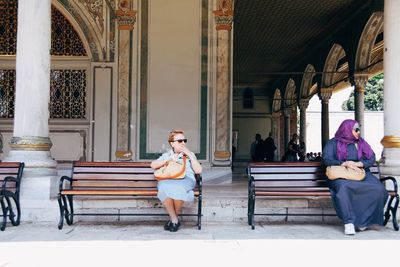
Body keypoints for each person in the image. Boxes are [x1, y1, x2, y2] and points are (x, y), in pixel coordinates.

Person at [322, 119, 388, 235]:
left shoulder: (361, 142)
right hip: (340, 174)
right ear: (346, 130)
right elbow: (327, 159)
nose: (358, 132)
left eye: (359, 129)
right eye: (356, 129)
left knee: (379, 189)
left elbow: (371, 158)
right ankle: (349, 222)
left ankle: (363, 221)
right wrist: (345, 163)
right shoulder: (333, 143)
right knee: (343, 188)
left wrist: (360, 164)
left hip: (360, 172)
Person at [151, 130, 202, 232]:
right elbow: (153, 165)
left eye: (184, 140)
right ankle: (174, 219)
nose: (183, 143)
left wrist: (189, 155)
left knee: (177, 188)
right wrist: (168, 160)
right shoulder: (167, 155)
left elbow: (198, 170)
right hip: (169, 179)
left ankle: (173, 220)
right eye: (179, 141)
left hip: (186, 179)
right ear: (172, 143)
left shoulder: (189, 154)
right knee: (164, 187)